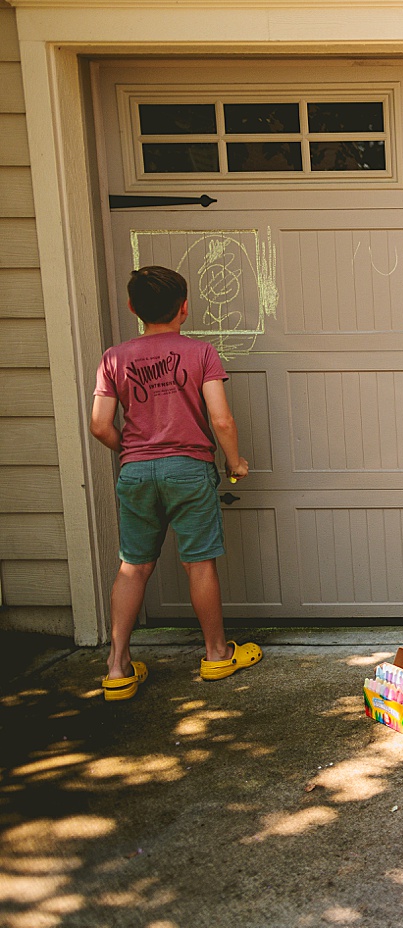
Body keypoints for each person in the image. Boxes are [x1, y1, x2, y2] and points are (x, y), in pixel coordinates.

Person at [89, 266, 261, 702]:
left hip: (136, 471)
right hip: (188, 468)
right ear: (185, 307)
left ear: (132, 308)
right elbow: (220, 418)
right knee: (198, 563)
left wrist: (131, 452)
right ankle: (218, 654)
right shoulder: (201, 353)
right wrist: (235, 461)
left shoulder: (115, 357)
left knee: (134, 565)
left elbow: (99, 425)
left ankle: (117, 668)